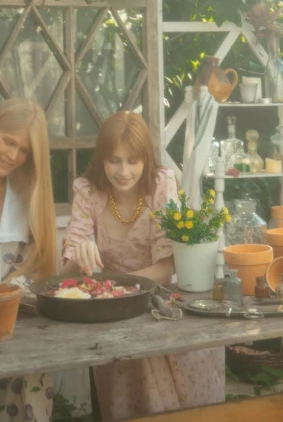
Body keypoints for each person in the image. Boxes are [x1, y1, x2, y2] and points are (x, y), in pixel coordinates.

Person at [63, 111, 224, 421]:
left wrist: (111, 285)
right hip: (115, 316)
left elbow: (166, 267)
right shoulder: (87, 190)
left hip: (164, 308)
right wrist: (79, 253)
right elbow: (68, 269)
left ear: (146, 160)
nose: (124, 171)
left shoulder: (161, 184)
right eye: (114, 160)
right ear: (101, 160)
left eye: (133, 161)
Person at [0, 98, 57, 422]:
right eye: (10, 142)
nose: (13, 155)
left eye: (24, 151)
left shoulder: (26, 196)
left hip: (19, 335)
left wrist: (9, 293)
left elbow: (38, 267)